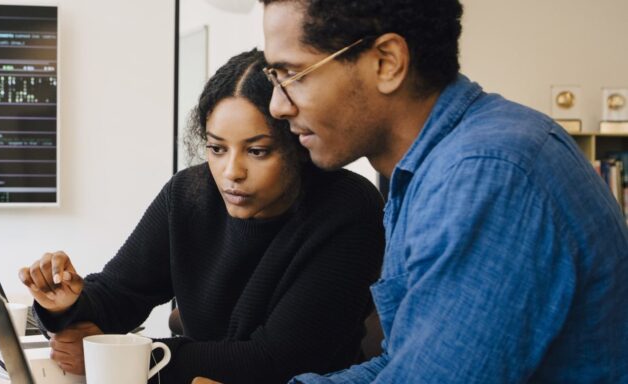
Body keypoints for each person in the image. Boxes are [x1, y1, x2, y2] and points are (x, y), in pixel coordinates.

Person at [259, 0, 628, 383]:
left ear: (387, 62)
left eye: (293, 74)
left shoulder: (486, 173)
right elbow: (402, 363)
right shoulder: (430, 167)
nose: (277, 106)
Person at [18, 49, 385, 384]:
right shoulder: (188, 194)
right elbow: (121, 291)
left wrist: (132, 355)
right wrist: (66, 304)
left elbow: (277, 359)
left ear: (296, 146)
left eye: (257, 151)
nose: (231, 172)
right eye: (216, 148)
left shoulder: (347, 207)